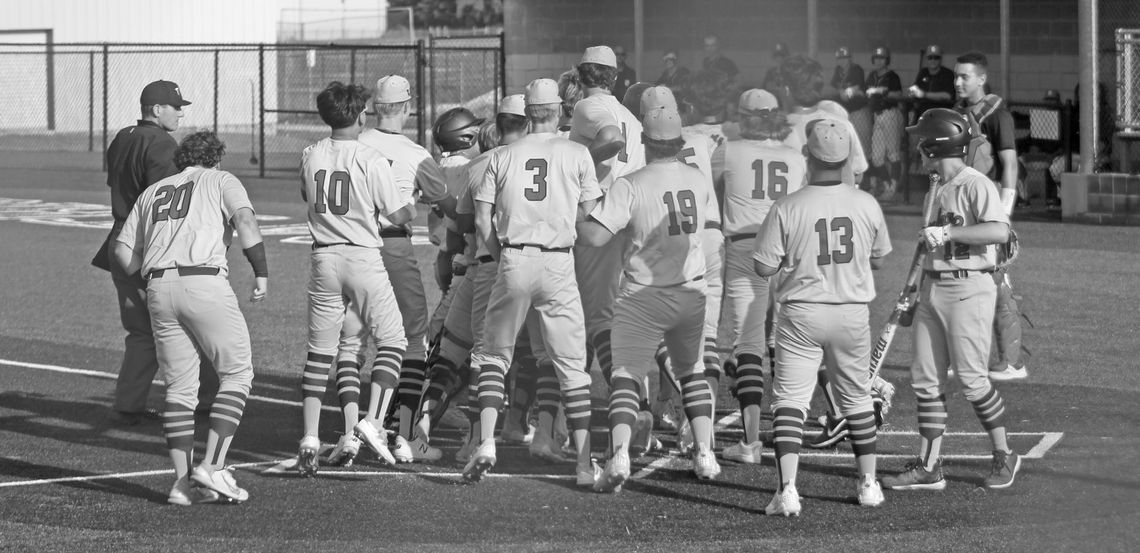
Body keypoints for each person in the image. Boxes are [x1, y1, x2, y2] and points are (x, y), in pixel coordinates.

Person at [112, 130, 267, 505]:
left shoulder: (155, 191)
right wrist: (261, 271)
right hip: (203, 282)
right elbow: (244, 221)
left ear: (181, 159)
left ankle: (182, 484)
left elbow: (122, 250)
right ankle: (213, 467)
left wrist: (151, 276)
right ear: (216, 158)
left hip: (159, 288)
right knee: (237, 373)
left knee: (180, 390)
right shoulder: (221, 179)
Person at [463, 78, 602, 487]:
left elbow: (481, 220)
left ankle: (486, 442)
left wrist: (498, 253)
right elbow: (589, 215)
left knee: (493, 356)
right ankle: (582, 463)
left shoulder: (500, 156)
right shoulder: (577, 153)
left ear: (527, 113)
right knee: (572, 368)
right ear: (558, 110)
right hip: (558, 262)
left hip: (513, 259)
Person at [754, 119, 892, 516]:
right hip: (851, 312)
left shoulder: (788, 205)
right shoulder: (866, 202)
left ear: (808, 156)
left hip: (801, 312)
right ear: (848, 156)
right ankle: (868, 483)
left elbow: (764, 267)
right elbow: (880, 259)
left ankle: (788, 490)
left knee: (790, 402)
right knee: (857, 400)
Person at [578, 106, 720, 492]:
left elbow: (594, 236)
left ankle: (620, 453)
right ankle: (705, 451)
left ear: (645, 142)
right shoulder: (697, 180)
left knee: (625, 376)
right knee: (691, 372)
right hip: (691, 290)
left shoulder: (631, 183)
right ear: (678, 142)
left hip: (643, 295)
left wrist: (578, 206)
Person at [881, 108, 1022, 491]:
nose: (916, 145)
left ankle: (1004, 454)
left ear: (934, 143)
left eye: (921, 139)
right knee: (926, 381)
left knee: (973, 380)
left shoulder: (975, 183)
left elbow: (998, 230)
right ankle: (929, 466)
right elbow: (928, 243)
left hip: (969, 289)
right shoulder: (934, 184)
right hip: (932, 288)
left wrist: (948, 235)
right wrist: (911, 291)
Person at [296, 81, 415, 476]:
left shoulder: (310, 153)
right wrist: (407, 204)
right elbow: (399, 216)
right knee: (393, 340)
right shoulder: (370, 156)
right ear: (361, 115)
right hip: (362, 255)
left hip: (323, 257)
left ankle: (311, 436)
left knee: (322, 351)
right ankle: (373, 422)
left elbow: (306, 194)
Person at [339, 74, 454, 465]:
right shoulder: (414, 152)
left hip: (349, 245)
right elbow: (446, 202)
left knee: (351, 339)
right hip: (391, 245)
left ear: (373, 107)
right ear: (407, 107)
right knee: (412, 336)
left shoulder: (354, 141)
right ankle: (405, 436)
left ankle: (351, 430)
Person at [96, 80, 218, 425]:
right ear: (156, 110)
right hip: (149, 242)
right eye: (176, 106)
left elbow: (116, 185)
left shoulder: (123, 136)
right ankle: (207, 397)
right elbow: (169, 202)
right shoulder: (162, 143)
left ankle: (130, 401)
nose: (181, 112)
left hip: (119, 239)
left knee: (141, 331)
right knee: (191, 319)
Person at [715, 89, 806, 464]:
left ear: (743, 116)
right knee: (788, 343)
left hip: (744, 248)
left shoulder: (727, 149)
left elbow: (714, 191)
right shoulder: (794, 156)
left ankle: (751, 442)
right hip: (787, 251)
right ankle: (797, 423)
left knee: (747, 344)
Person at [568, 45, 647, 390]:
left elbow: (611, 140)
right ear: (613, 77)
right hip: (632, 218)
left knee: (594, 317)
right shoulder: (630, 114)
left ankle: (633, 403)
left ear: (580, 73)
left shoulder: (588, 105)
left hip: (599, 215)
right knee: (615, 316)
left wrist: (573, 164)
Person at [953, 51, 1028, 382]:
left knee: (996, 283)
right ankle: (972, 358)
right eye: (956, 76)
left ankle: (1011, 362)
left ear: (981, 78)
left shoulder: (998, 115)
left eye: (964, 76)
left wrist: (1005, 211)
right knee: (967, 279)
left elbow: (1009, 163)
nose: (958, 82)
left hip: (991, 207)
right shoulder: (959, 114)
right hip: (965, 208)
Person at [865, 46, 905, 201]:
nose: (878, 60)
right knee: (876, 157)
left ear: (886, 60)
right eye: (876, 58)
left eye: (881, 58)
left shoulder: (892, 76)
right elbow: (865, 91)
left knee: (893, 153)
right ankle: (888, 184)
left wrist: (882, 91)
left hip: (890, 114)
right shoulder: (872, 75)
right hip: (877, 115)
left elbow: (898, 94)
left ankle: (893, 188)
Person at [909, 45, 956, 119]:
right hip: (923, 114)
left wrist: (924, 94)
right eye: (930, 58)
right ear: (926, 59)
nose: (933, 60)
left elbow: (947, 96)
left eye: (936, 58)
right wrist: (912, 92)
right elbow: (915, 89)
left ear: (940, 59)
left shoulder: (947, 74)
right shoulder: (923, 72)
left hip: (941, 116)